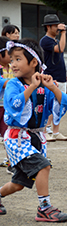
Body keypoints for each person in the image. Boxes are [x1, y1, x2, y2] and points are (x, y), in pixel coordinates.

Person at [0, 38, 67, 221]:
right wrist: (32, 86)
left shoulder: (45, 85)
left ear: (33, 62)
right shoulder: (14, 85)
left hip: (36, 137)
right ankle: (45, 208)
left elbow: (64, 102)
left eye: (18, 59)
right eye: (12, 59)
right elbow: (13, 105)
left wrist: (52, 87)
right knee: (43, 166)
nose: (13, 64)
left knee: (18, 183)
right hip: (18, 137)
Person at [40, 14, 67, 142]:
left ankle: (56, 131)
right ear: (48, 27)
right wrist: (64, 33)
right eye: (56, 26)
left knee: (60, 103)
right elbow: (61, 49)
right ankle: (46, 130)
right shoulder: (45, 40)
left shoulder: (55, 41)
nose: (58, 28)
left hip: (60, 76)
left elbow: (61, 52)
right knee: (50, 104)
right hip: (50, 77)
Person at [0, 37, 11, 174]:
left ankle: (11, 162)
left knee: (8, 135)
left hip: (7, 108)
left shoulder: (14, 67)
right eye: (9, 53)